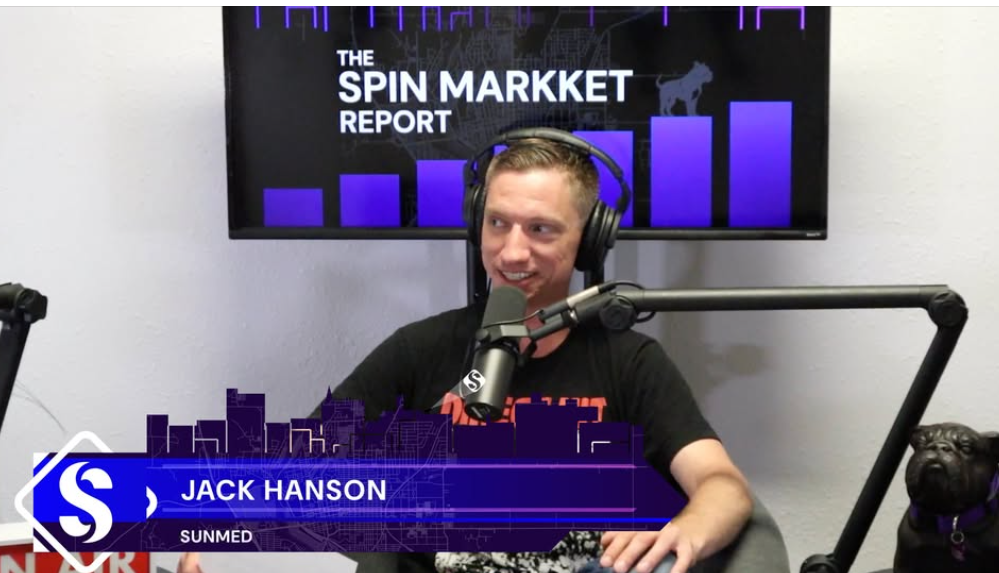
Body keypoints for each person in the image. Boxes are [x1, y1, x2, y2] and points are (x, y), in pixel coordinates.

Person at [319, 135, 756, 573]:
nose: (512, 252)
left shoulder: (630, 362)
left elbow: (721, 485)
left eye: (540, 229)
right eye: (497, 223)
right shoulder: (421, 349)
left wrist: (688, 527)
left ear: (588, 239)